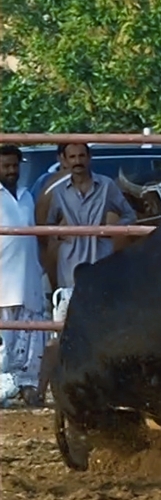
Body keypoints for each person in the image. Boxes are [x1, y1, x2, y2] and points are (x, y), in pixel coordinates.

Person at [41, 143, 137, 291]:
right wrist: (60, 234)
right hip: (69, 262)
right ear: (65, 161)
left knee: (102, 305)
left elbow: (130, 215)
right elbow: (50, 224)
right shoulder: (59, 191)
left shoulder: (106, 185)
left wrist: (114, 229)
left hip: (101, 257)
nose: (77, 161)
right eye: (72, 157)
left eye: (81, 156)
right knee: (71, 307)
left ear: (89, 158)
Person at [0, 145, 51, 407]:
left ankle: (28, 387)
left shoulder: (26, 196)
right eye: (6, 166)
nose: (11, 171)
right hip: (3, 281)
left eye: (15, 165)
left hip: (28, 277)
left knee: (31, 339)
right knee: (4, 340)